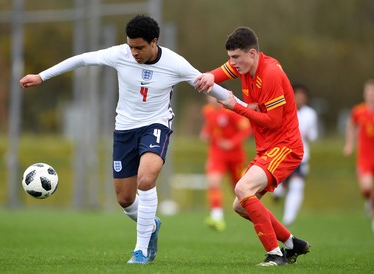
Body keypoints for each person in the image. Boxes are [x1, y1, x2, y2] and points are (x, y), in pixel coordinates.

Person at [19, 15, 243, 264]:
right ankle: (151, 225)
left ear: (154, 42)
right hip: (124, 129)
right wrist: (42, 76)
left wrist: (247, 109)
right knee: (125, 199)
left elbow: (209, 85)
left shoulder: (175, 63)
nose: (133, 52)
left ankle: (140, 250)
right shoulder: (120, 54)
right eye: (130, 46)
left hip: (156, 125)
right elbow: (83, 59)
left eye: (139, 47)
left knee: (146, 180)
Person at [195, 26, 310, 266]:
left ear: (253, 54)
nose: (232, 63)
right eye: (230, 57)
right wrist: (209, 76)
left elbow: (273, 121)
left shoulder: (269, 74)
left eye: (236, 57)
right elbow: (223, 72)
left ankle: (275, 255)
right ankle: (291, 243)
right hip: (268, 147)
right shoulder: (245, 67)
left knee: (242, 189)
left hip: (285, 146)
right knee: (241, 205)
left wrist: (235, 106)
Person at [200, 95, 251, 231]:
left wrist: (231, 142)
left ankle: (253, 213)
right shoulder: (208, 111)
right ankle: (217, 217)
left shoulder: (231, 112)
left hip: (235, 156)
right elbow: (211, 127)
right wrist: (206, 133)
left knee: (239, 188)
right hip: (217, 154)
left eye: (211, 95)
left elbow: (246, 129)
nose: (209, 98)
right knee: (213, 181)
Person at [272, 84, 319, 227]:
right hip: (283, 154)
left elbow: (313, 135)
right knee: (280, 185)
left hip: (301, 156)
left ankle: (288, 218)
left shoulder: (310, 114)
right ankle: (278, 193)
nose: (298, 99)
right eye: (296, 95)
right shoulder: (284, 109)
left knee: (297, 186)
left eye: (302, 96)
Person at [343, 79, 374, 232]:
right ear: (364, 93)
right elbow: (351, 126)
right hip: (365, 157)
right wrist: (349, 144)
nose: (371, 95)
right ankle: (369, 201)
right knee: (366, 188)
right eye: (369, 92)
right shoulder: (358, 110)